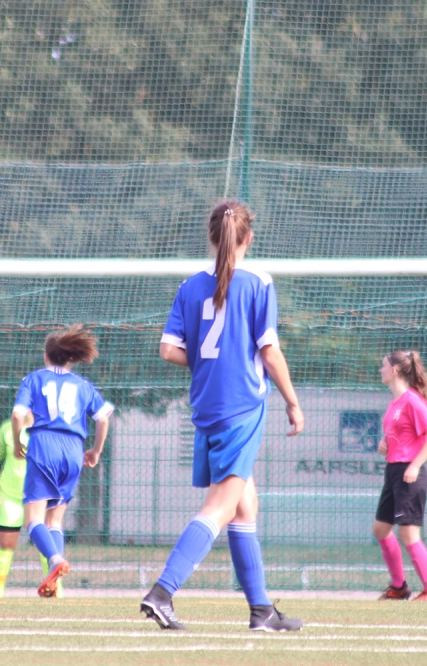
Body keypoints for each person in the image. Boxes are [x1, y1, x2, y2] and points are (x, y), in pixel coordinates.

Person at [140, 201, 305, 632]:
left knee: (244, 507)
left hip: (208, 405)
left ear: (211, 237)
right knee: (219, 507)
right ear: (248, 238)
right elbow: (269, 351)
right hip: (241, 407)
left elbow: (168, 350)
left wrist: (208, 360)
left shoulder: (190, 285)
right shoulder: (259, 282)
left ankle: (261, 610)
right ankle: (162, 592)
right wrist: (292, 401)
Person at [12, 325, 113, 598]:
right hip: (74, 449)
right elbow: (103, 419)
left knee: (33, 519)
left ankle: (55, 560)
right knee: (54, 520)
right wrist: (95, 451)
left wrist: (18, 441)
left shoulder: (33, 379)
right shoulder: (83, 385)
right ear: (69, 358)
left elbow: (18, 415)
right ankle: (54, 580)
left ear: (46, 356)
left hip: (44, 445)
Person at [373, 350, 427, 602]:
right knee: (381, 529)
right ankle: (399, 587)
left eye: (383, 365)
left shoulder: (413, 400)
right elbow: (400, 435)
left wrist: (415, 465)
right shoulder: (395, 402)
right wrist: (385, 443)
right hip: (393, 471)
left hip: (409, 474)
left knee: (409, 534)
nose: (380, 370)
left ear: (394, 371)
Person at [0, 412, 62, 597]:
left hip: (38, 497)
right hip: (9, 497)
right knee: (6, 545)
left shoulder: (49, 429)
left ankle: (56, 592)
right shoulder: (6, 429)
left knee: (46, 547)